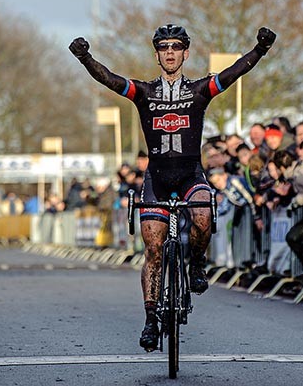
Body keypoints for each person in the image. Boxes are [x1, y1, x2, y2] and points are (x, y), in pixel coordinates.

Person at [70, 23, 276, 351]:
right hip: (157, 179)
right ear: (156, 55)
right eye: (164, 48)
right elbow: (110, 79)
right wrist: (85, 58)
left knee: (203, 215)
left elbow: (233, 72)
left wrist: (260, 50)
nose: (170, 52)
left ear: (185, 53)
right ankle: (151, 321)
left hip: (190, 174)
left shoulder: (198, 91)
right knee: (153, 250)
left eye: (176, 47)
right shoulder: (145, 93)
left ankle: (196, 263)